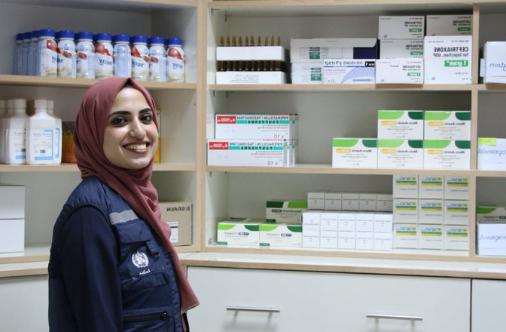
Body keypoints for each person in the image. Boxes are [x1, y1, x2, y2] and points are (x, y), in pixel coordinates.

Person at [48, 77, 198, 332]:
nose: (139, 132)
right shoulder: (90, 213)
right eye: (119, 120)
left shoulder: (137, 199)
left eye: (146, 118)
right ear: (93, 132)